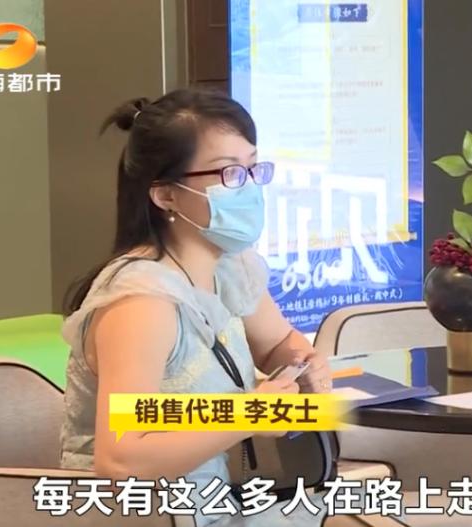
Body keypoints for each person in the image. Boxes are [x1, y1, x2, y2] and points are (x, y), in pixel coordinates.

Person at [60, 88, 331, 526]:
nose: (250, 188)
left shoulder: (228, 266)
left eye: (253, 168)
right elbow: (121, 460)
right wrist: (250, 415)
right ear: (165, 194)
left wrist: (302, 363)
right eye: (229, 174)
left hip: (216, 506)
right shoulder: (141, 304)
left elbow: (277, 342)